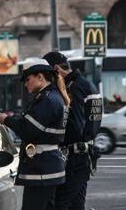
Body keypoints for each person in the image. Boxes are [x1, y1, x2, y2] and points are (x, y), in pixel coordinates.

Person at [0, 58, 70, 210]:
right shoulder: (53, 97)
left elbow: (28, 129)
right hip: (48, 167)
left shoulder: (47, 100)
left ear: (40, 77)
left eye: (28, 79)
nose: (25, 84)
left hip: (41, 170)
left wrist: (6, 120)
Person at [43, 51, 103, 210]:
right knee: (76, 204)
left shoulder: (73, 88)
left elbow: (75, 127)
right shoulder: (87, 85)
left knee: (61, 203)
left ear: (56, 69)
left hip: (75, 157)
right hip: (84, 154)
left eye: (48, 74)